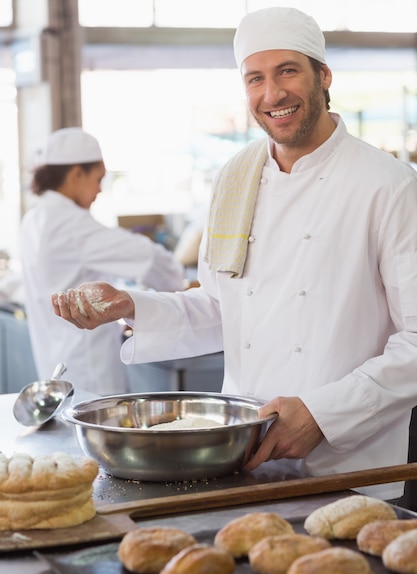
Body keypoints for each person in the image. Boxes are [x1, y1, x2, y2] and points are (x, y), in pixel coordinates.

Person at [51, 8, 417, 500]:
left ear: (324, 75)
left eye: (288, 71)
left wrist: (323, 414)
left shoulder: (389, 186)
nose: (273, 94)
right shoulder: (235, 178)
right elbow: (227, 306)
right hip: (244, 456)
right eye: (255, 78)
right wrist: (133, 305)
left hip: (350, 468)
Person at [21, 126, 184, 395]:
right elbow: (148, 258)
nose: (99, 190)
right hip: (88, 368)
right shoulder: (69, 224)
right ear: (76, 174)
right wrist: (179, 285)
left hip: (55, 361)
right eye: (98, 179)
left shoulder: (35, 218)